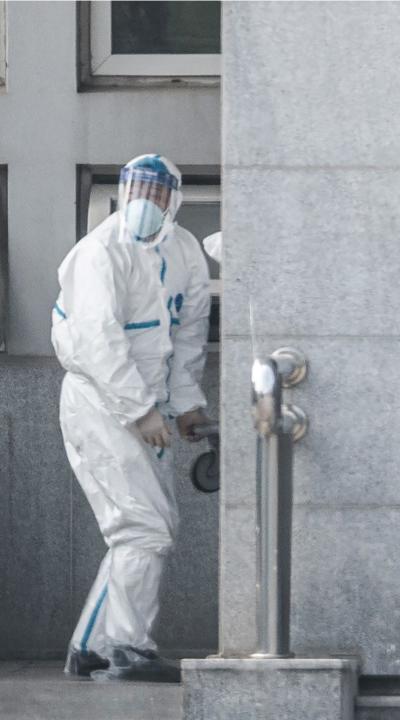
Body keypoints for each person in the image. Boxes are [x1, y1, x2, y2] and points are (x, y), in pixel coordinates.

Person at [52, 154, 212, 682]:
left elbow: (187, 340)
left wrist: (186, 406)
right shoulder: (98, 252)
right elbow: (98, 343)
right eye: (137, 188)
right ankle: (126, 648)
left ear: (175, 197)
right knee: (144, 529)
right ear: (123, 191)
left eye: (158, 190)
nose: (146, 200)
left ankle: (92, 648)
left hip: (151, 408)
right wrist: (140, 410)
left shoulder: (185, 252)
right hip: (101, 402)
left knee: (143, 529)